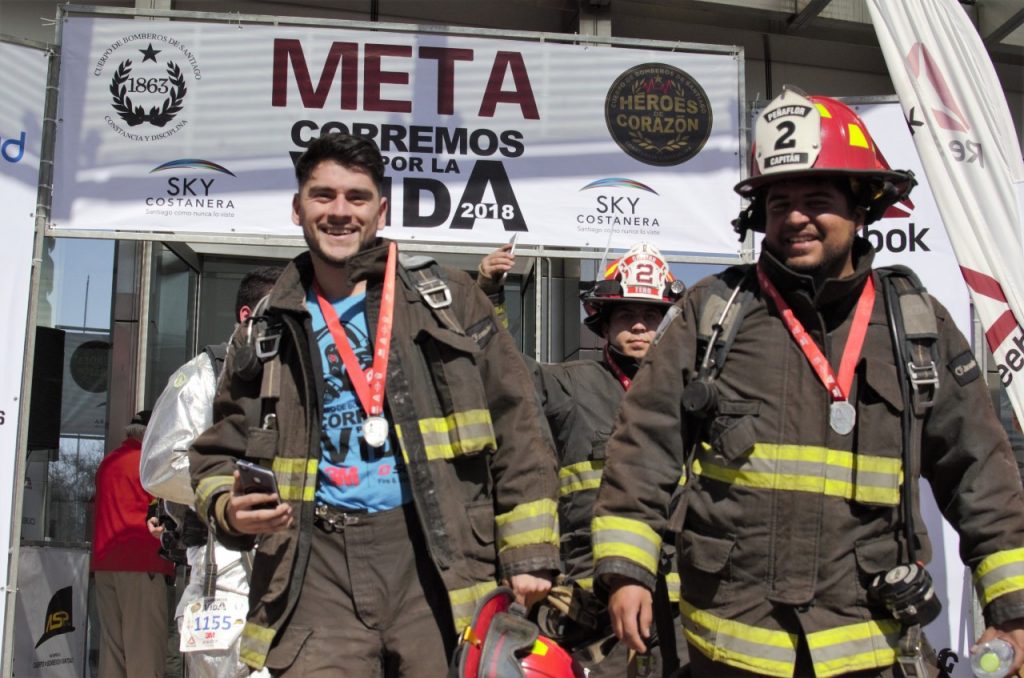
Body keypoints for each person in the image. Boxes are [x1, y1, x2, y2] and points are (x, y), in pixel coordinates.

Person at [592, 86, 1024, 677]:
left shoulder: (916, 323)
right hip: (728, 641)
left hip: (866, 641)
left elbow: (980, 475)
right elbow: (644, 448)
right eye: (778, 204)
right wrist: (626, 572)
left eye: (817, 198)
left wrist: (1014, 608)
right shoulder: (715, 311)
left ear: (862, 205)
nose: (795, 218)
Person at [189, 132, 559, 677]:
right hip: (313, 569)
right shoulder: (264, 330)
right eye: (323, 196)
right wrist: (227, 507)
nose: (340, 212)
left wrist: (529, 555)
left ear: (381, 209)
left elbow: (519, 425)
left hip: (436, 559)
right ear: (298, 208)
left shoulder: (450, 301)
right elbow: (216, 453)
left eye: (357, 198)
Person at [477, 241, 686, 675]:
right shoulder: (568, 384)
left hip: (678, 603)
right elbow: (504, 373)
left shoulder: (690, 395)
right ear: (603, 323)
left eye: (651, 315)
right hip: (589, 603)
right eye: (627, 315)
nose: (640, 327)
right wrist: (490, 296)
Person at [141, 265, 282, 678]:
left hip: (300, 563)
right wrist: (237, 490)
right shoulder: (204, 374)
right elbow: (160, 467)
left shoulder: (311, 377)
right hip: (225, 568)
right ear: (247, 316)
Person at [91, 410, 175, 678]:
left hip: (106, 564)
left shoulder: (108, 463)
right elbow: (168, 510)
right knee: (145, 652)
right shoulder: (148, 464)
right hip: (142, 564)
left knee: (112, 652)